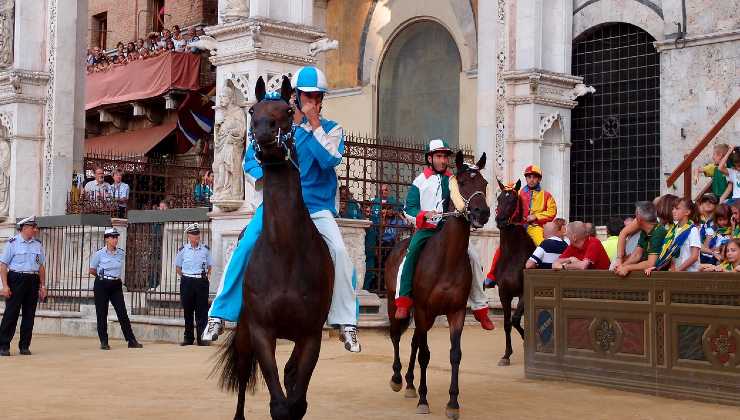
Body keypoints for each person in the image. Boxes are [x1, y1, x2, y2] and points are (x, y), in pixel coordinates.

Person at [202, 66, 362, 352]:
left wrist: (313, 126)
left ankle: (346, 322)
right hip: (278, 205)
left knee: (338, 252)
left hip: (315, 208)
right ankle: (219, 313)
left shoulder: (331, 129)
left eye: (317, 96)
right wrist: (262, 177)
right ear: (296, 97)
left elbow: (330, 161)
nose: (313, 100)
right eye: (307, 95)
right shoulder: (281, 125)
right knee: (246, 244)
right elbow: (250, 158)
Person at [393, 139, 494, 330]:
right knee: (411, 253)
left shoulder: (454, 180)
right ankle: (403, 301)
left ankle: (481, 308)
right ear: (430, 158)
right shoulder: (420, 181)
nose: (443, 160)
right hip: (426, 229)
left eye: (445, 157)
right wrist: (423, 215)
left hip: (449, 230)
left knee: (473, 257)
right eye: (439, 156)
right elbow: (409, 209)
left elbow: (462, 201)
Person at [484, 164, 557, 287]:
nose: (531, 179)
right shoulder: (518, 193)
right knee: (501, 249)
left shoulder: (546, 195)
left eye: (534, 177)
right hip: (518, 227)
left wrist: (536, 217)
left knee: (542, 245)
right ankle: (492, 276)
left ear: (539, 179)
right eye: (529, 177)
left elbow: (552, 212)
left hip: (535, 228)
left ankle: (546, 276)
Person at [89, 228, 143, 350]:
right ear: (106, 239)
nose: (115, 240)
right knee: (102, 313)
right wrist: (102, 277)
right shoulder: (99, 254)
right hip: (102, 284)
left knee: (122, 313)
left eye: (116, 237)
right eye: (112, 237)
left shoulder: (121, 253)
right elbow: (92, 269)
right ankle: (104, 341)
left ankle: (131, 340)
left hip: (116, 284)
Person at [0, 217, 47, 356]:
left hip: (33, 279)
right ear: (25, 228)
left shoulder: (37, 244)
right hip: (16, 278)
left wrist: (43, 286)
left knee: (29, 314)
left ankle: (24, 345)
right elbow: (3, 265)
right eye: (33, 227)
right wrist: (5, 286)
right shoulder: (12, 243)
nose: (35, 230)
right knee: (11, 313)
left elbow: (41, 266)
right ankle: (3, 345)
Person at [175, 223, 213, 346]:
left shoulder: (205, 250)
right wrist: (187, 277)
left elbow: (210, 266)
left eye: (197, 235)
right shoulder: (183, 250)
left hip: (200, 281)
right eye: (194, 235)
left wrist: (203, 278)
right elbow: (178, 267)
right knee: (188, 311)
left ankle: (202, 338)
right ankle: (188, 338)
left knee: (202, 311)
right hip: (187, 281)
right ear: (189, 236)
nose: (196, 237)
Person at [647, 197, 701, 274]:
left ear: (687, 212)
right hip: (678, 273)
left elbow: (694, 256)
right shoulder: (673, 230)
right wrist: (657, 267)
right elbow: (670, 254)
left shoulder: (693, 230)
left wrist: (678, 271)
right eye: (673, 209)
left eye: (677, 209)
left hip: (691, 274)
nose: (673, 211)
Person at [613, 201, 666, 276]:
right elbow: (637, 255)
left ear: (639, 218)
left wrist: (628, 268)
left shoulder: (658, 233)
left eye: (636, 215)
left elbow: (650, 263)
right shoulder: (645, 230)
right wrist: (621, 266)